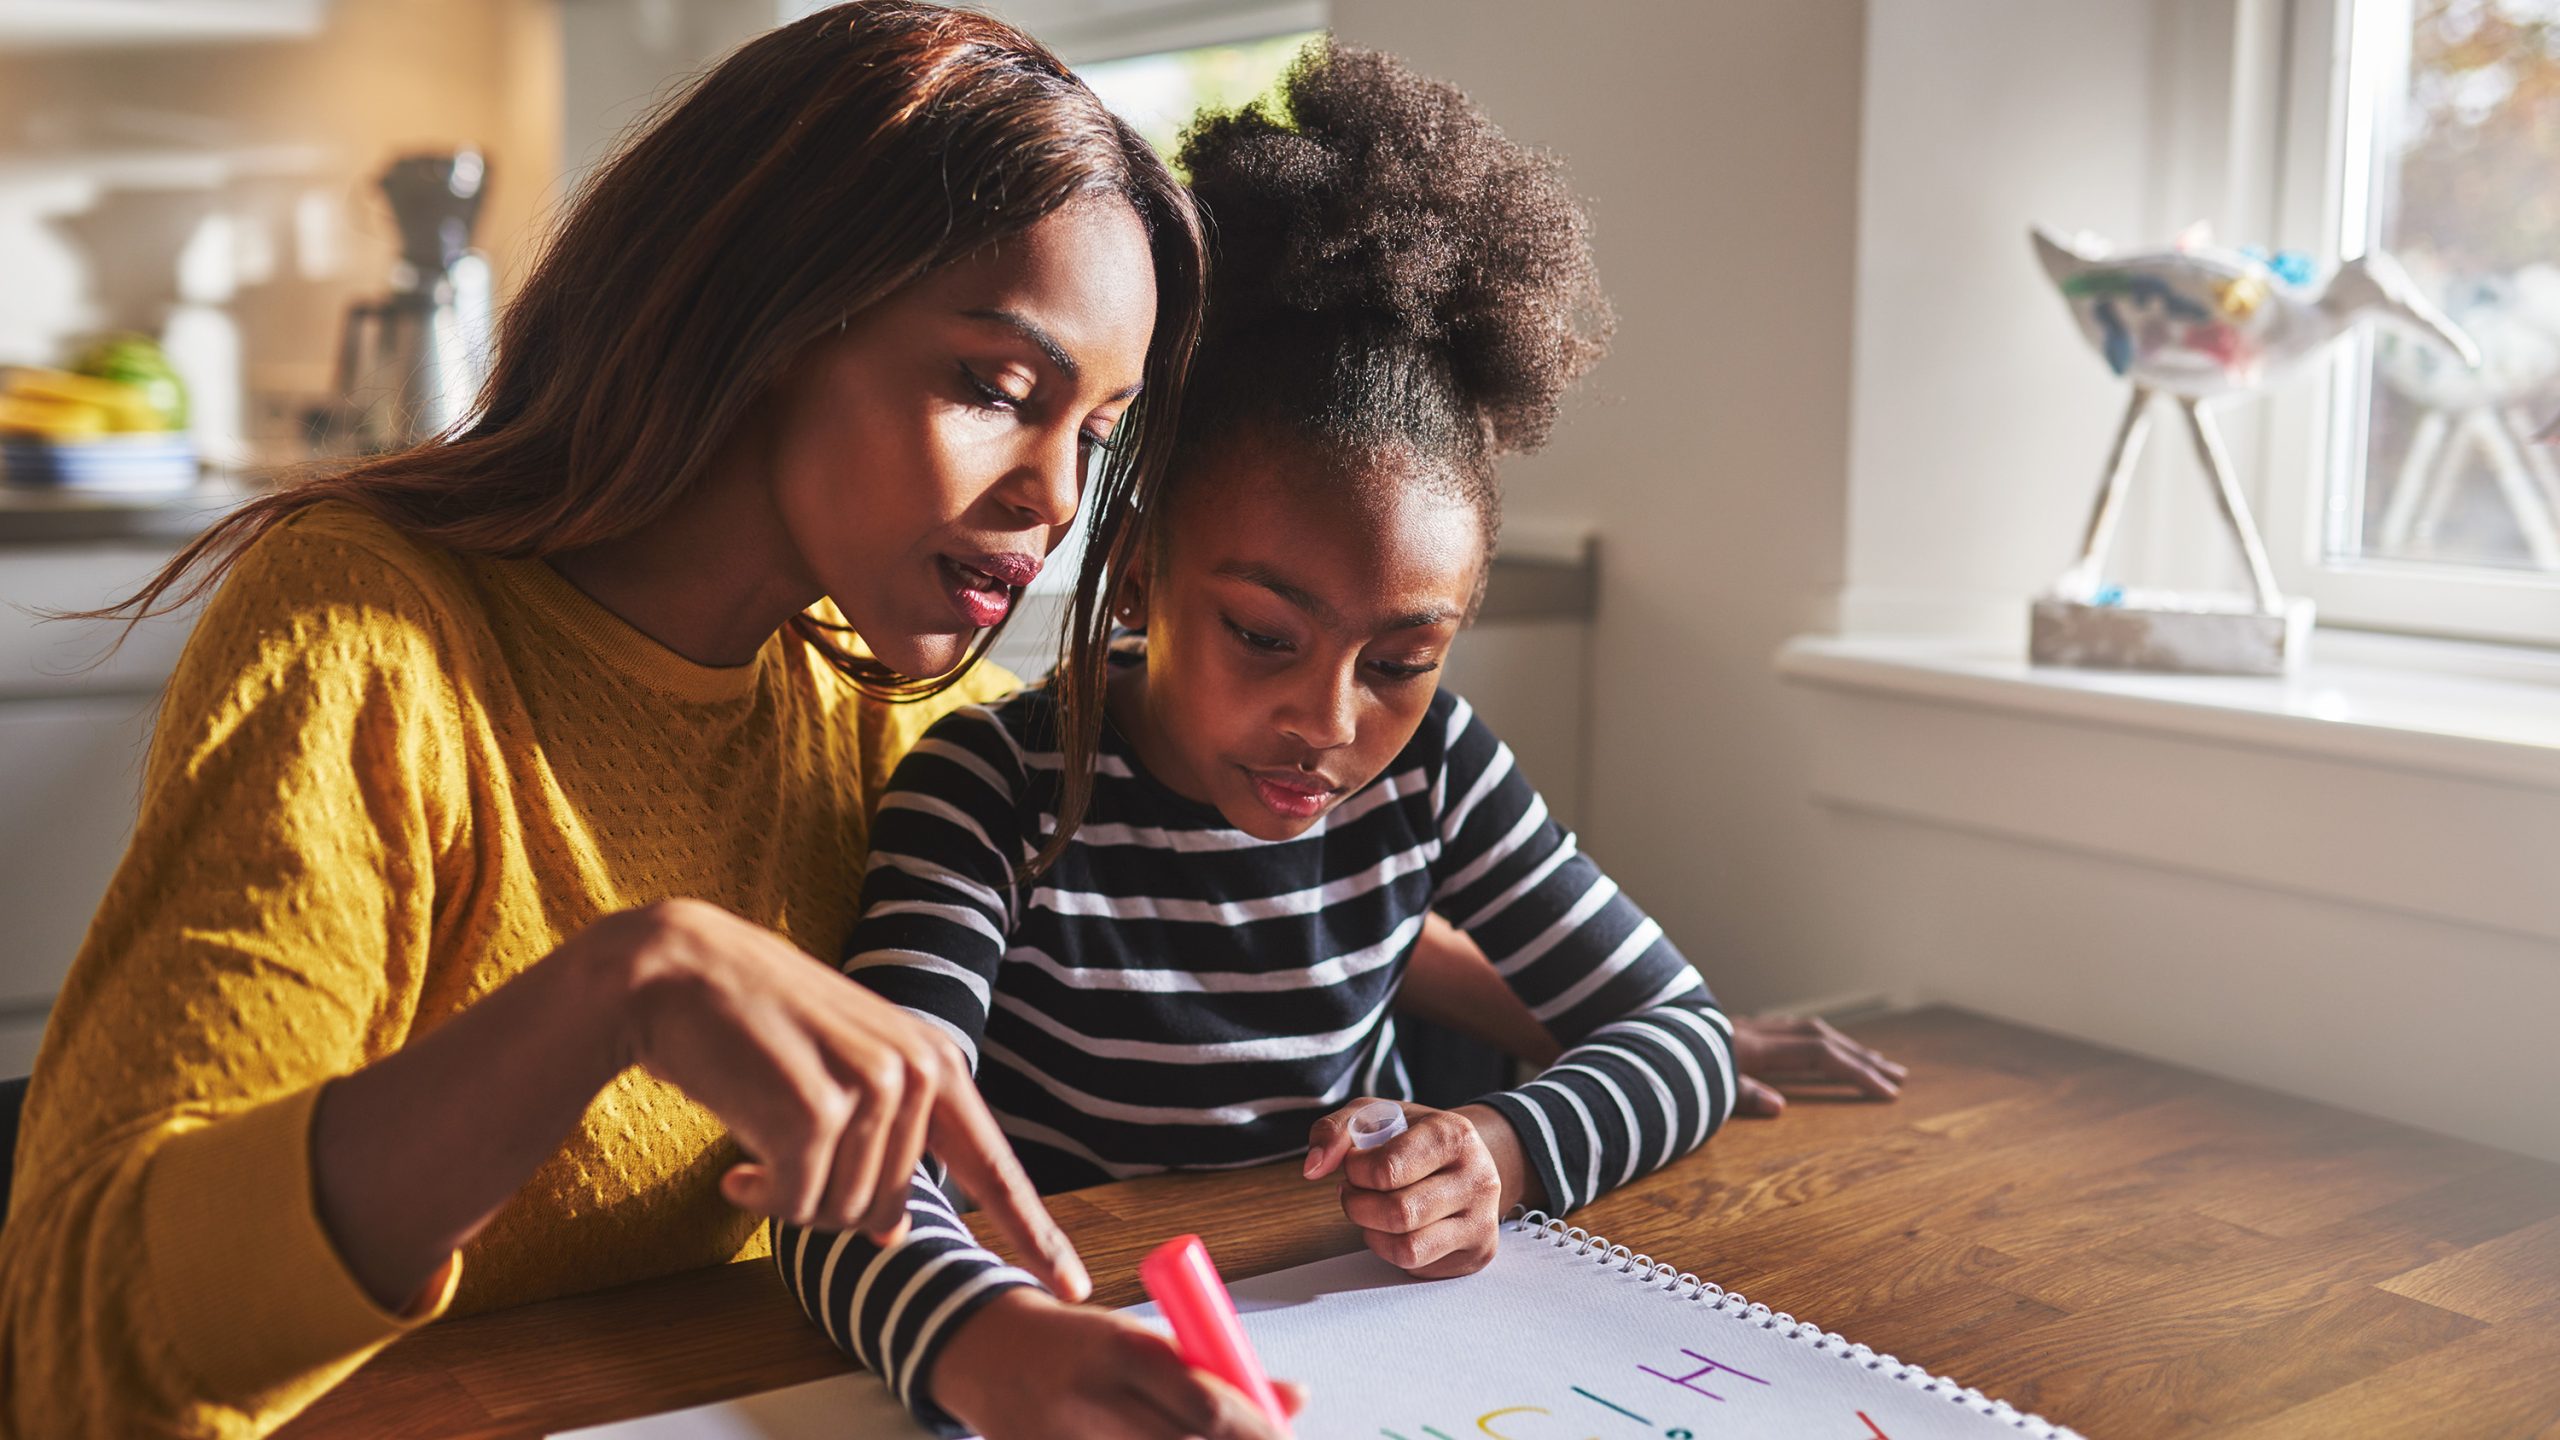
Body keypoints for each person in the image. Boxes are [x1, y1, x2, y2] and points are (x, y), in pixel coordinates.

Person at [0, 5, 1218, 1436]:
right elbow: (86, 1342)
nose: (1055, 498)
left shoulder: (891, 713)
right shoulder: (372, 632)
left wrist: (1486, 1116)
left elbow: (1214, 834)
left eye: (1095, 431)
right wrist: (617, 990)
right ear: (766, 317)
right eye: (997, 388)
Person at [768, 41, 1898, 1440]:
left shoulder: (1431, 773)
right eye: (1262, 634)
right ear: (1135, 570)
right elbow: (852, 1191)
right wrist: (983, 1339)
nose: (1329, 721)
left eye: (1405, 660)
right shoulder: (989, 796)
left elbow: (1677, 1034)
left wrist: (1500, 1147)